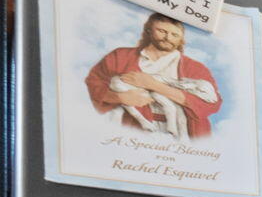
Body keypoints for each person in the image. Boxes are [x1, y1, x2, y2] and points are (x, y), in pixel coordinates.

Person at [85, 12, 221, 140]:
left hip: (185, 133)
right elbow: (93, 83)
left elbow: (212, 104)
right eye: (162, 31)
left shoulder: (196, 68)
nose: (168, 38)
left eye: (175, 35)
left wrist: (153, 85)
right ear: (149, 30)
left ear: (181, 39)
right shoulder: (121, 56)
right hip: (135, 127)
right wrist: (119, 97)